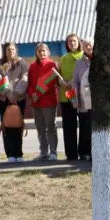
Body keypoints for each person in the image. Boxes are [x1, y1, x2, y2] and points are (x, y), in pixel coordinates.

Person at [0, 42, 29, 162]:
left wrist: (16, 93)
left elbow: (25, 77)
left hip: (19, 98)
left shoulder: (21, 62)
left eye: (13, 49)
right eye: (8, 50)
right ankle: (10, 154)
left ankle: (19, 154)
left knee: (18, 125)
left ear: (16, 50)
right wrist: (8, 93)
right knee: (7, 126)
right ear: (5, 51)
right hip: (4, 99)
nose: (11, 52)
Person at [27, 43, 60, 161]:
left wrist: (39, 94)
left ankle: (53, 152)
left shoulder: (52, 65)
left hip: (48, 101)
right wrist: (32, 94)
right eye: (39, 51)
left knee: (51, 127)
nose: (42, 53)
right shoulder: (32, 66)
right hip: (36, 103)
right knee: (40, 128)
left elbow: (52, 83)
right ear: (36, 53)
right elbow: (29, 83)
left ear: (48, 52)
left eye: (44, 51)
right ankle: (44, 151)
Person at [58, 33, 84, 161]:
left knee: (85, 125)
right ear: (67, 44)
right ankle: (71, 154)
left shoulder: (84, 57)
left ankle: (84, 152)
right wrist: (62, 82)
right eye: (70, 42)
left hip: (82, 96)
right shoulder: (63, 59)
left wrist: (72, 82)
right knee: (69, 126)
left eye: (74, 41)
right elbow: (58, 77)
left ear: (79, 42)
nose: (72, 43)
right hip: (66, 96)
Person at [71, 37, 94, 161]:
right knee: (85, 127)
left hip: (97, 100)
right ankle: (85, 152)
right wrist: (75, 98)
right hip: (84, 99)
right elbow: (75, 81)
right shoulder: (79, 63)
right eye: (86, 45)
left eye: (90, 45)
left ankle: (95, 151)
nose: (88, 47)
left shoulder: (99, 60)